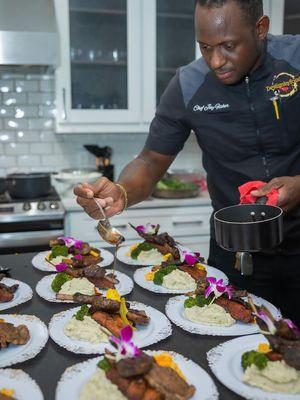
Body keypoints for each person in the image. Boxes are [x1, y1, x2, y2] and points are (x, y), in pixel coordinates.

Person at [74, 0, 300, 324]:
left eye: (228, 46)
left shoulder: (295, 59)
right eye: (205, 47)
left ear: (260, 29)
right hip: (234, 255)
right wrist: (120, 192)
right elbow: (151, 161)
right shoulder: (188, 84)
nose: (216, 60)